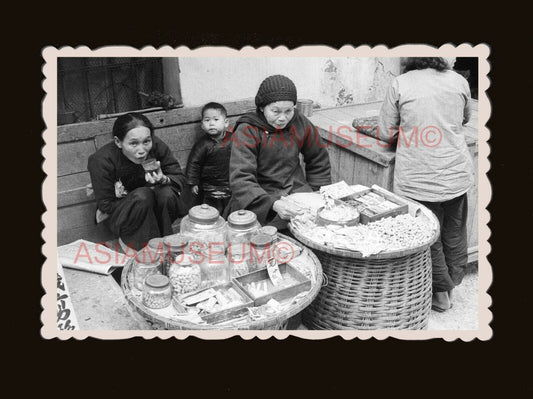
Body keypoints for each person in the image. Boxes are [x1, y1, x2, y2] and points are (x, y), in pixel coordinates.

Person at [377, 57, 474, 312]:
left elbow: (385, 133)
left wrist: (410, 129)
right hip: (456, 173)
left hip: (418, 177)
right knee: (453, 232)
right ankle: (450, 286)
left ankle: (440, 294)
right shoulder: (459, 81)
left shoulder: (401, 83)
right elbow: (463, 120)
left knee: (427, 235)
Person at [226, 74, 331, 230]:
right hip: (258, 197)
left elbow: (318, 158)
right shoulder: (248, 129)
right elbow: (241, 177)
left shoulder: (299, 122)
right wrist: (273, 204)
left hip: (296, 190)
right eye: (275, 111)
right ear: (262, 107)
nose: (283, 118)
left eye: (288, 111)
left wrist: (318, 191)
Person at [88, 112, 191, 251]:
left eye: (146, 142)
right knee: (143, 195)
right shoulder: (101, 160)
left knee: (166, 193)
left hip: (156, 208)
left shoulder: (156, 145)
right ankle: (142, 250)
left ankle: (165, 243)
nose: (142, 150)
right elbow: (106, 205)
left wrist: (163, 179)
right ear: (118, 142)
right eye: (134, 143)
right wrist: (140, 197)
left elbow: (178, 176)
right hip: (120, 215)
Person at [186, 102, 232, 215]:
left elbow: (243, 156)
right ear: (202, 125)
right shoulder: (202, 144)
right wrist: (193, 182)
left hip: (230, 183)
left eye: (216, 120)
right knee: (212, 212)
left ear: (226, 123)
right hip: (209, 186)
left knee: (230, 210)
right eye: (207, 120)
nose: (211, 124)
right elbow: (194, 163)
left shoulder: (233, 139)